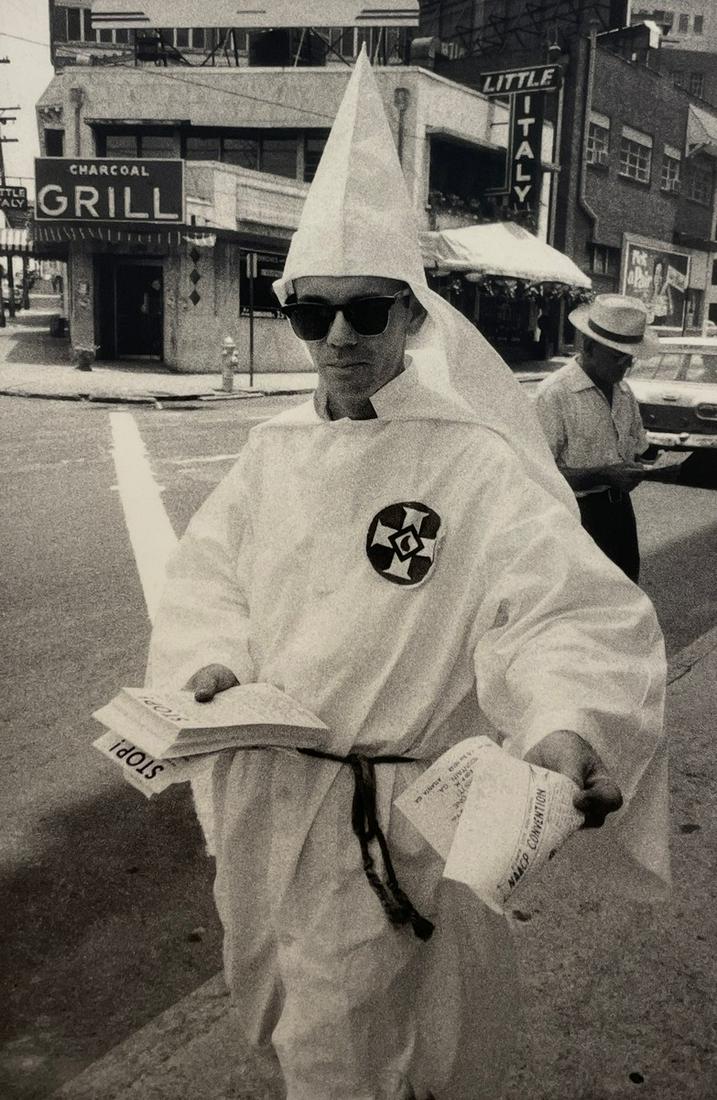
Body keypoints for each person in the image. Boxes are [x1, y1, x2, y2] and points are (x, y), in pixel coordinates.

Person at [147, 52, 668, 1100]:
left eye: (367, 310)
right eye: (312, 311)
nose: (338, 335)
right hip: (274, 813)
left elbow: (555, 604)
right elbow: (210, 588)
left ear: (415, 318)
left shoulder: (473, 458)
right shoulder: (269, 454)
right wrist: (209, 663)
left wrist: (565, 725)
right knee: (339, 1044)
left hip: (409, 820)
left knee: (350, 1064)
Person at [535, 294, 660, 584]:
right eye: (618, 358)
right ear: (589, 348)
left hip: (619, 514)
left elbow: (638, 450)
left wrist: (649, 465)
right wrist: (602, 474)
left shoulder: (624, 393)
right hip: (576, 516)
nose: (625, 367)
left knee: (625, 596)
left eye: (630, 360)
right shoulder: (555, 394)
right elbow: (537, 476)